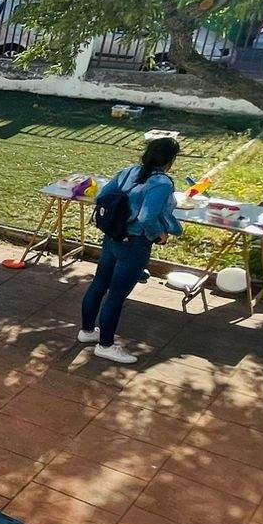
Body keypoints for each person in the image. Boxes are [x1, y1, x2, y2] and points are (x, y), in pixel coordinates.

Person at [81, 135, 183, 366]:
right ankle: (105, 346)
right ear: (170, 161)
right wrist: (159, 234)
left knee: (99, 284)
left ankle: (87, 331)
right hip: (135, 244)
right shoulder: (162, 183)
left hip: (113, 237)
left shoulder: (129, 172)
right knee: (116, 295)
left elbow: (102, 196)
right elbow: (147, 217)